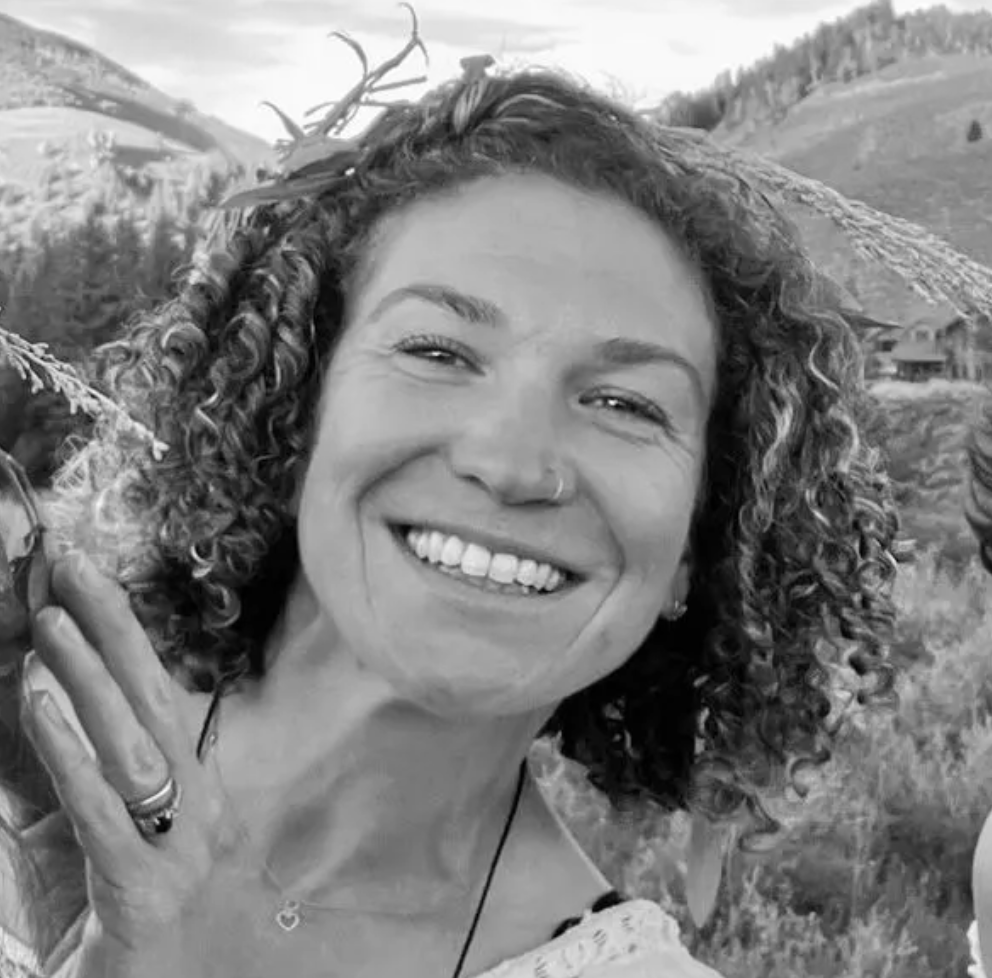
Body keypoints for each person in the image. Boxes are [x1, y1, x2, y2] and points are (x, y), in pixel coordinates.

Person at [0, 54, 899, 978]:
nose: (510, 464)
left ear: (697, 549)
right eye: (437, 349)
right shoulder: (21, 762)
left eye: (627, 405)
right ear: (294, 407)